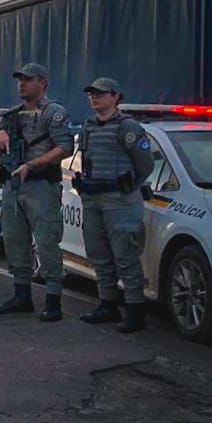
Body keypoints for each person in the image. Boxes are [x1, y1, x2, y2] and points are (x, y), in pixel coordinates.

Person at [0, 63, 74, 322]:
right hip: (15, 186)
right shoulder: (11, 115)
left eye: (27, 80)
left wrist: (33, 164)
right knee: (15, 242)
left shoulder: (54, 112)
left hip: (41, 185)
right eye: (19, 80)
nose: (21, 84)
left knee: (47, 242)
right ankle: (21, 294)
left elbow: (65, 147)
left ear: (42, 83)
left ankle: (53, 299)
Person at [77, 78, 155, 333]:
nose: (94, 98)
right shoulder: (89, 127)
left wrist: (128, 185)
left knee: (125, 256)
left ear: (114, 97)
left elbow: (145, 164)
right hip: (93, 199)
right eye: (91, 94)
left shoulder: (127, 127)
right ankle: (107, 304)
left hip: (120, 200)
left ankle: (135, 310)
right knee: (99, 255)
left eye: (100, 94)